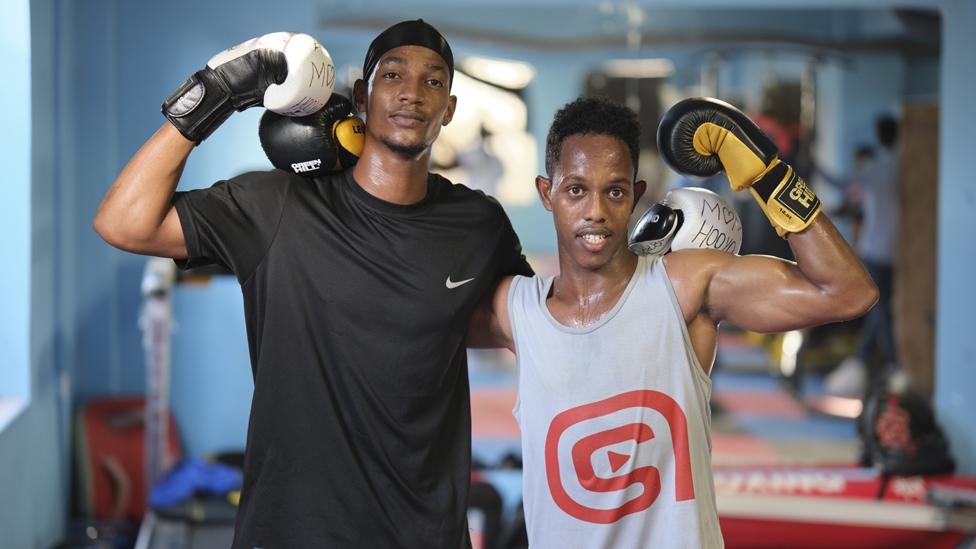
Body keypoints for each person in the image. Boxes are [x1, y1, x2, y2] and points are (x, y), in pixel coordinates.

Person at [93, 20, 532, 548]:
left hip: (424, 534)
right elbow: (121, 222)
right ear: (363, 98)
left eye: (433, 81)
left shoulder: (476, 222)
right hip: (289, 531)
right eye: (394, 75)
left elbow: (519, 327)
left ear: (451, 109)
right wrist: (217, 93)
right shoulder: (276, 205)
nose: (413, 93)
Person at [467, 96, 877, 548]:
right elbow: (399, 325)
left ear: (636, 196)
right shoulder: (518, 310)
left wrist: (767, 173)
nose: (596, 211)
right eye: (576, 190)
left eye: (615, 191)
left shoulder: (683, 286)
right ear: (548, 194)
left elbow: (848, 291)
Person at [822, 116, 900, 398]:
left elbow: (843, 184)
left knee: (878, 307)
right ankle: (868, 359)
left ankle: (889, 362)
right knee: (880, 307)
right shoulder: (899, 167)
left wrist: (812, 167)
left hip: (876, 249)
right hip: (892, 249)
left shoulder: (878, 168)